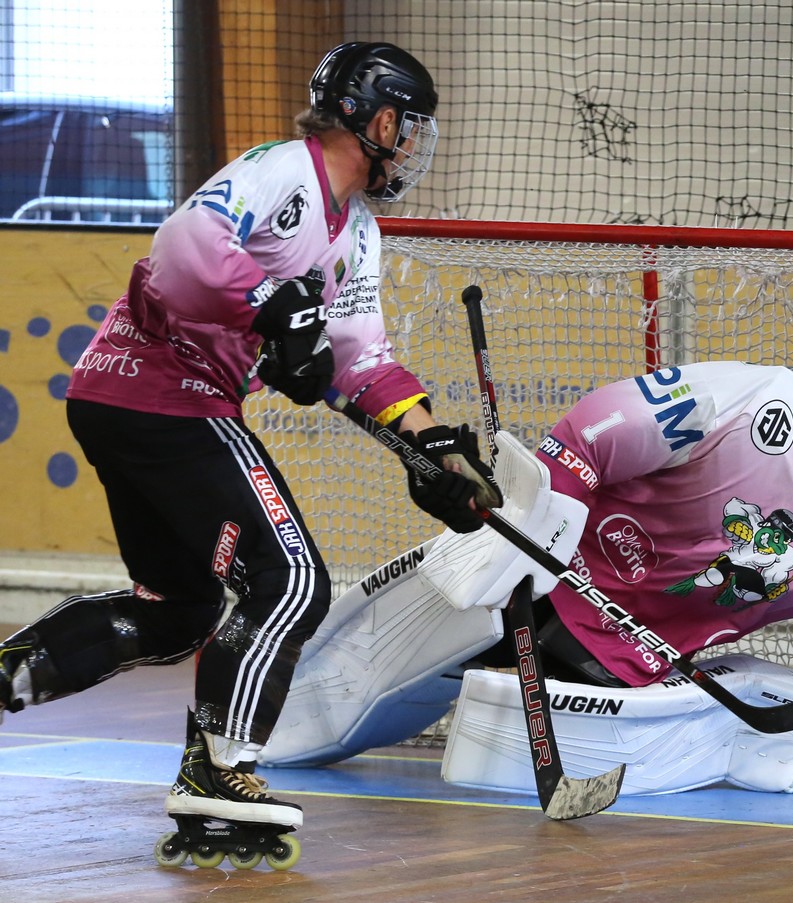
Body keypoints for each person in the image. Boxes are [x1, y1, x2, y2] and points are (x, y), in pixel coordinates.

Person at [0, 41, 498, 850]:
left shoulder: (357, 232)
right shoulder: (283, 171)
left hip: (131, 401)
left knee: (178, 610)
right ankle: (219, 768)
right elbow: (181, 246)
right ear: (375, 120)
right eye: (406, 125)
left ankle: (8, 675)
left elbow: (359, 359)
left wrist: (430, 446)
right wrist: (273, 305)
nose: (411, 144)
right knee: (289, 578)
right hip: (168, 394)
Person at [261, 361, 793, 803]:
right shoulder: (760, 405)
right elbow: (595, 432)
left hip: (627, 662)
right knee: (329, 699)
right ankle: (235, 729)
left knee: (489, 751)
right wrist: (545, 518)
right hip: (532, 580)